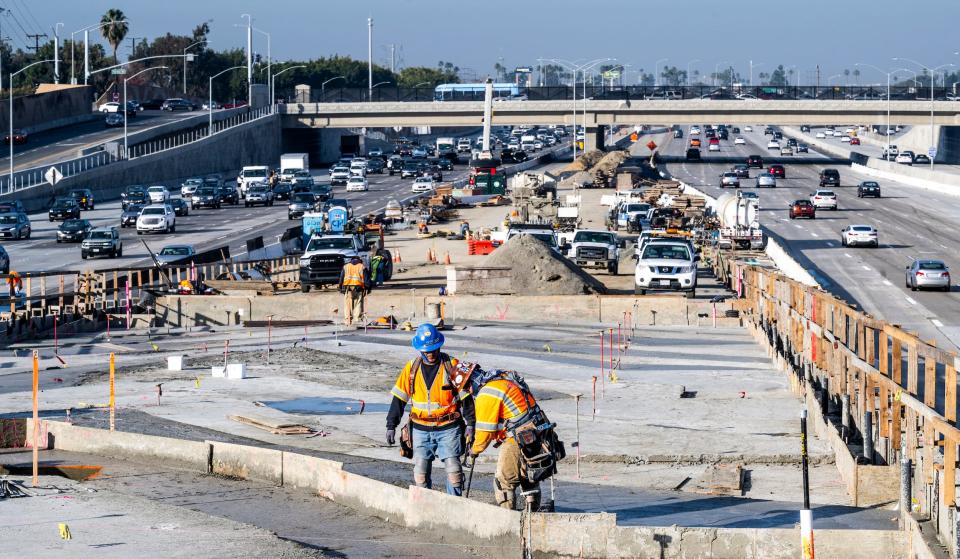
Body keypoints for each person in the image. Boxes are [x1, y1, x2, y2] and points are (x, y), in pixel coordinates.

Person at [385, 324, 474, 496]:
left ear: (439, 345)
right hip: (420, 430)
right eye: (427, 351)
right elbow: (399, 399)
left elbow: (466, 399)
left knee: (454, 472)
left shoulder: (453, 366)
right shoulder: (411, 369)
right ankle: (426, 509)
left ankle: (454, 507)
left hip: (449, 428)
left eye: (434, 349)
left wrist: (471, 424)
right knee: (420, 474)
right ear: (420, 349)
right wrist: (391, 425)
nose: (431, 354)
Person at [466, 367, 561, 511]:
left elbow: (485, 434)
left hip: (518, 436)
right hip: (538, 429)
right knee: (529, 474)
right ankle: (532, 513)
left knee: (503, 481)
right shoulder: (504, 378)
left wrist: (474, 450)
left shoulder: (487, 393)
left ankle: (507, 518)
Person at [338, 256, 368, 326]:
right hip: (359, 288)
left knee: (347, 305)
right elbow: (366, 279)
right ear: (359, 260)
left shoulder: (346, 267)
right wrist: (367, 288)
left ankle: (348, 320)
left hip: (348, 288)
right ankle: (357, 320)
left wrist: (340, 287)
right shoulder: (362, 267)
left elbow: (341, 278)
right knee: (358, 304)